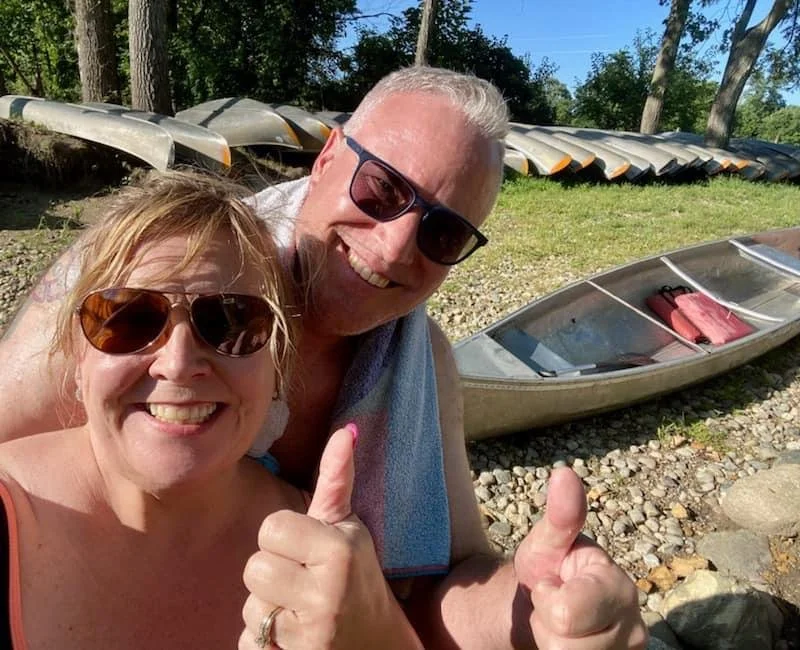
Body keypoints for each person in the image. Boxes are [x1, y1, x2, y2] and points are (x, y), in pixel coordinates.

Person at [0, 67, 648, 649]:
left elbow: (447, 579)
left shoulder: (425, 362)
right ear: (328, 156)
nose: (395, 248)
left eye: (442, 232)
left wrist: (535, 614)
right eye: (382, 188)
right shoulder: (143, 278)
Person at [0, 171, 425, 649]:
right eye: (129, 319)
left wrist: (375, 635)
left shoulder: (319, 551)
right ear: (79, 359)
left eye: (230, 322)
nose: (178, 364)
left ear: (276, 370)